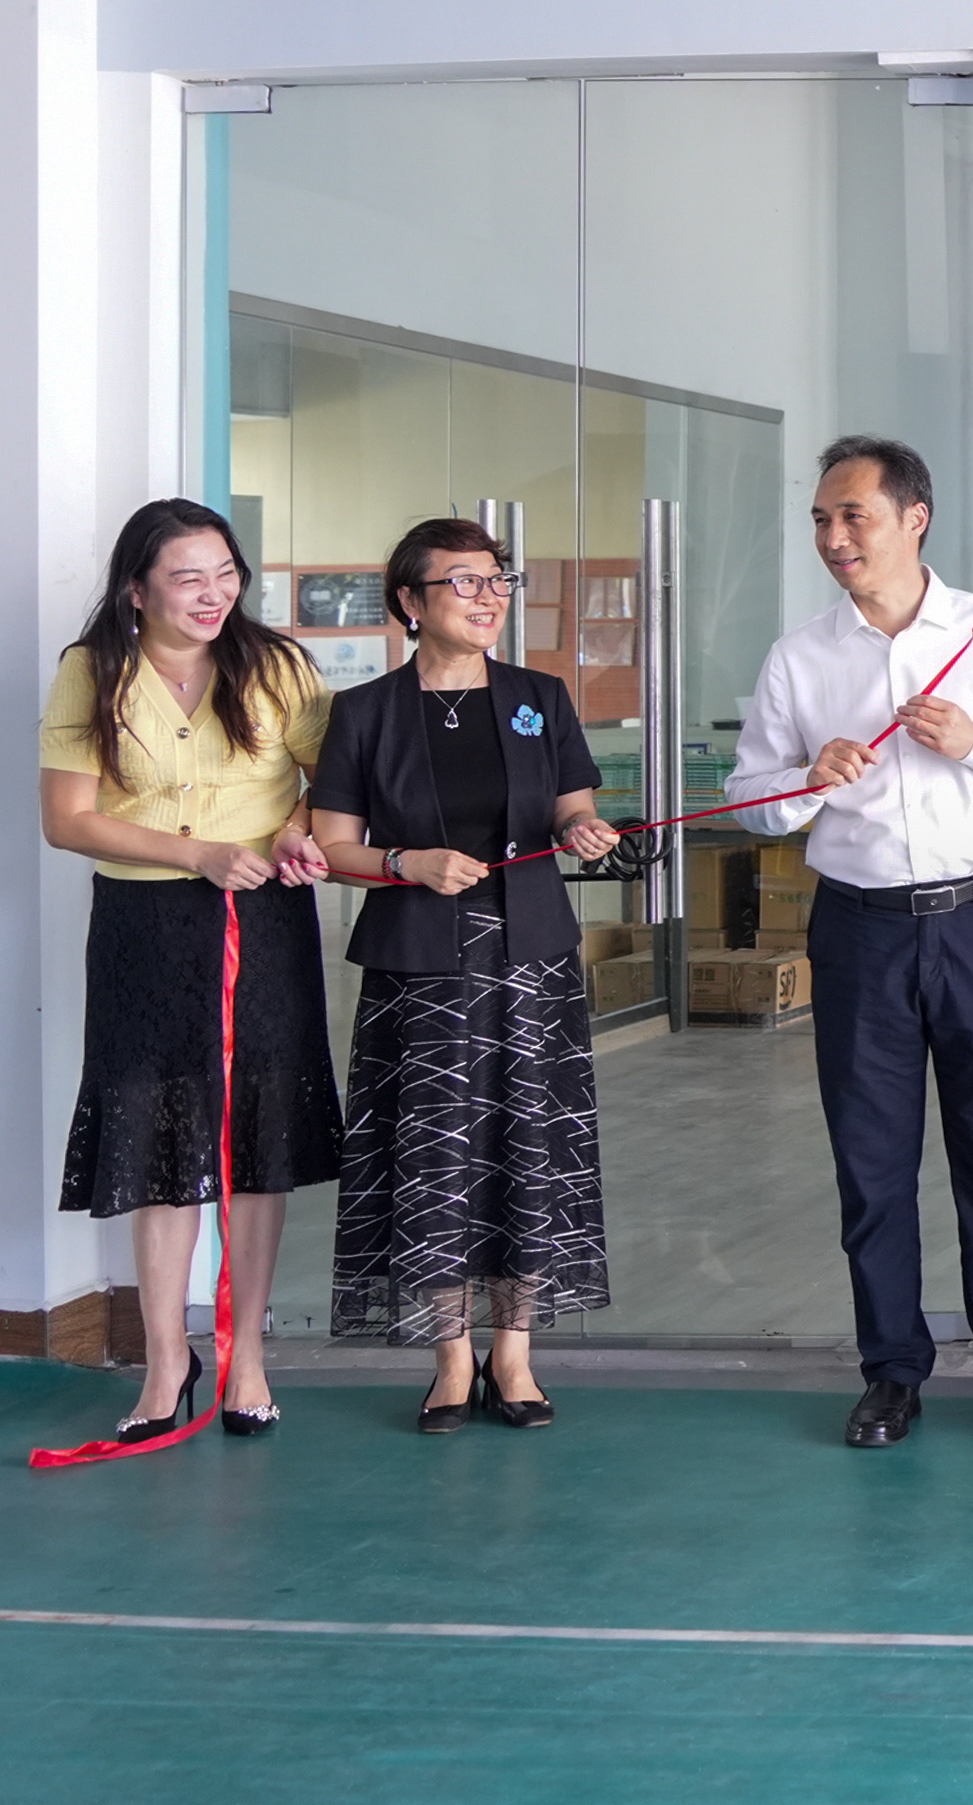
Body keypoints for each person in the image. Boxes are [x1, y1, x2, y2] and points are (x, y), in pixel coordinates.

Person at [726, 438, 973, 1450]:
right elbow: (748, 801)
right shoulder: (801, 655)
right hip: (858, 929)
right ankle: (891, 1370)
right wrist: (805, 779)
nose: (834, 537)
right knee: (871, 1163)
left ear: (913, 517)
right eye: (821, 519)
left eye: (854, 516)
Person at [307, 518, 622, 1433]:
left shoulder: (539, 696)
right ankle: (450, 1358)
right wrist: (407, 862)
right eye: (464, 582)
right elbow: (333, 848)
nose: (488, 598)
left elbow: (572, 805)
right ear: (410, 602)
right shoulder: (363, 712)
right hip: (418, 965)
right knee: (435, 1156)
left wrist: (583, 831)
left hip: (530, 960)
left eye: (498, 580)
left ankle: (514, 1355)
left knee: (529, 1147)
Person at [37, 499, 337, 1441]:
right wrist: (194, 851)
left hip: (265, 916)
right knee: (160, 1137)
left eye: (226, 574)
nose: (214, 595)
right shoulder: (91, 673)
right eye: (186, 578)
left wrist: (296, 831)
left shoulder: (278, 665)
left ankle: (245, 1352)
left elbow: (340, 782)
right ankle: (168, 1359)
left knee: (254, 1138)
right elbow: (68, 820)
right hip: (145, 923)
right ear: (137, 589)